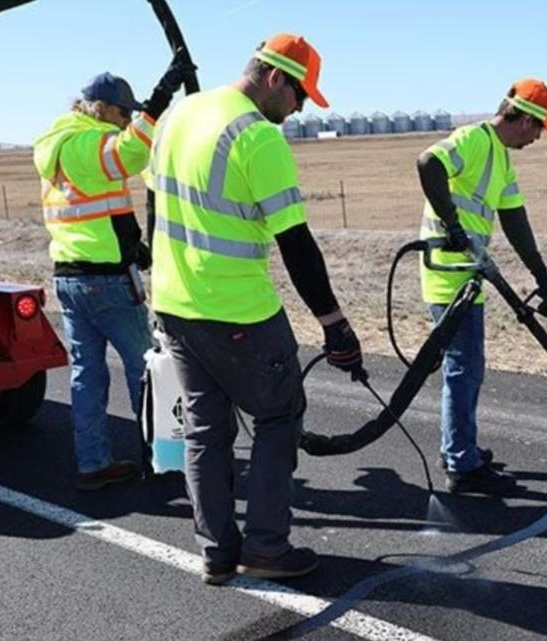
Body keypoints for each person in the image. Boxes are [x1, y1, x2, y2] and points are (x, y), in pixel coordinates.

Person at [149, 33, 363, 584]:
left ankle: (216, 553)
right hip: (238, 311)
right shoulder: (256, 137)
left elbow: (156, 203)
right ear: (274, 78)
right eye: (299, 97)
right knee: (277, 415)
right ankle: (266, 546)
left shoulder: (178, 116)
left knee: (204, 430)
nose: (297, 110)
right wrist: (334, 324)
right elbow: (296, 242)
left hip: (174, 304)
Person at [33, 62, 186, 491]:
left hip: (70, 278)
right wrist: (157, 103)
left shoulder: (54, 143)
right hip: (107, 282)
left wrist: (129, 243)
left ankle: (93, 463)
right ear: (102, 108)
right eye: (123, 114)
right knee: (147, 372)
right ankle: (164, 462)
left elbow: (95, 208)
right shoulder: (87, 141)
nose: (125, 122)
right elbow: (130, 154)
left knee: (87, 375)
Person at [416, 79, 547, 496]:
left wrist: (542, 277)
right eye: (538, 129)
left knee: (466, 367)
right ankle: (461, 463)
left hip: (470, 274)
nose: (537, 138)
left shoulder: (501, 159)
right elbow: (428, 163)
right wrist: (452, 225)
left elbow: (516, 223)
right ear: (524, 119)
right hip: (449, 272)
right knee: (463, 369)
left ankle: (460, 448)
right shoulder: (473, 140)